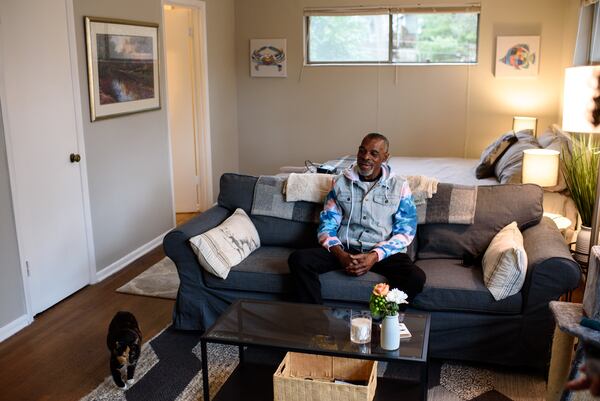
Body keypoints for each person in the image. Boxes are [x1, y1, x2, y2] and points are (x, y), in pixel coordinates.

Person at [288, 133, 426, 305]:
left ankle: (384, 323)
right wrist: (341, 255)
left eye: (374, 153)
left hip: (382, 253)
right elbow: (327, 225)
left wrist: (374, 256)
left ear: (385, 157)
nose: (365, 157)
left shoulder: (400, 186)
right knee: (299, 260)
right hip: (346, 248)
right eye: (362, 151)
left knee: (415, 277)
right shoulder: (339, 183)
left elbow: (405, 232)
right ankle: (317, 326)